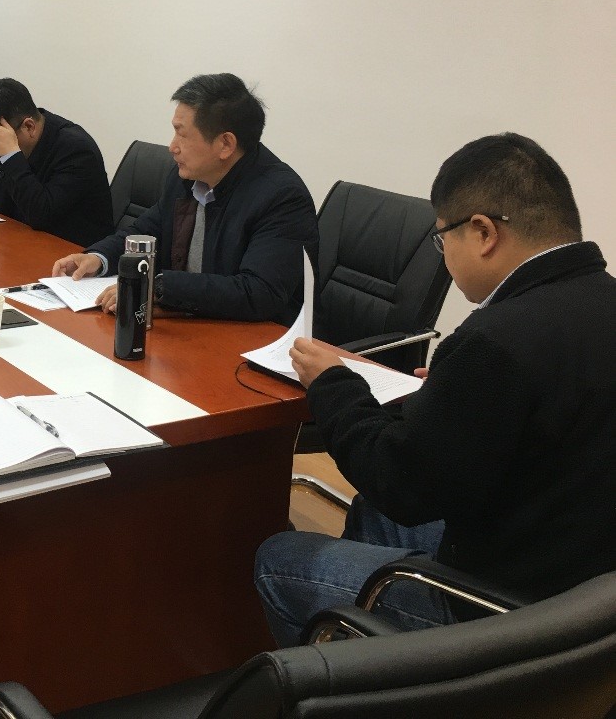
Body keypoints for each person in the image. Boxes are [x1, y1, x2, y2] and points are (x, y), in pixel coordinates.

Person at [254, 134, 616, 646]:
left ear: (483, 232)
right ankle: (369, 644)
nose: (443, 255)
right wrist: (449, 396)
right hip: (586, 589)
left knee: (277, 558)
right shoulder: (597, 302)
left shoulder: (496, 339)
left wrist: (333, 384)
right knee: (373, 512)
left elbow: (399, 484)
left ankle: (358, 673)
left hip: (510, 616)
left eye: (442, 239)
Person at [52, 73, 317, 324]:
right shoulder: (186, 178)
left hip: (252, 339)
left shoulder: (282, 198)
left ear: (226, 144)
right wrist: (99, 258)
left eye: (182, 134)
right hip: (188, 323)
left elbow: (258, 293)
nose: (172, 147)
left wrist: (158, 288)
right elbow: (145, 231)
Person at [0, 77, 113, 247]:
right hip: (22, 242)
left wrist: (11, 154)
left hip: (69, 255)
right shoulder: (14, 140)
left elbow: (41, 214)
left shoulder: (77, 150)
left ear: (29, 126)